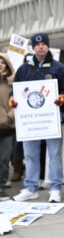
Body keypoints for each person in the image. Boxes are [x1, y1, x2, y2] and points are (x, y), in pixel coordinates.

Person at [11, 33, 64, 203]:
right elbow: (15, 90)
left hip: (51, 119)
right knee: (30, 155)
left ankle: (55, 187)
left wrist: (62, 98)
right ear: (33, 47)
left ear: (48, 45)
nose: (41, 47)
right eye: (37, 44)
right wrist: (13, 99)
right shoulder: (24, 69)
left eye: (44, 43)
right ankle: (31, 188)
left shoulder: (59, 68)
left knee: (54, 155)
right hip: (30, 121)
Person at [0, 53, 15, 200]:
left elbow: (17, 103)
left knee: (5, 159)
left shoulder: (12, 83)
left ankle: (2, 187)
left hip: (7, 128)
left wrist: (9, 116)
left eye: (2, 63)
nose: (0, 65)